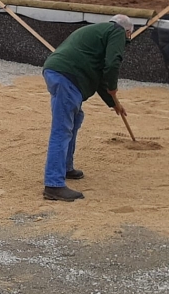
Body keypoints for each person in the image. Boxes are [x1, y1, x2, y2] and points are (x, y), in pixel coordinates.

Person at [40, 14, 133, 201]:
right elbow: (112, 63)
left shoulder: (98, 33)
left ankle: (65, 167)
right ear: (128, 32)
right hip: (67, 76)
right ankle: (53, 185)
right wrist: (114, 88)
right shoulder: (117, 31)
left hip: (58, 72)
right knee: (62, 129)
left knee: (74, 118)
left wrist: (114, 103)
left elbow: (99, 78)